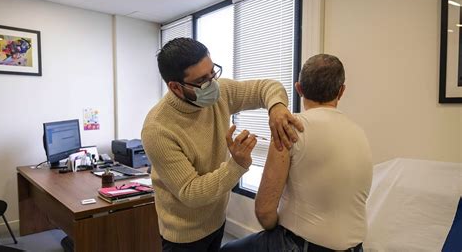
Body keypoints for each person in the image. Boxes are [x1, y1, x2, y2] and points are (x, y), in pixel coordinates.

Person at [141, 37, 304, 252]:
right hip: (183, 236)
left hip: (217, 221)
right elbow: (191, 193)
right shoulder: (158, 129)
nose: (213, 84)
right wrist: (236, 165)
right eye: (202, 80)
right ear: (175, 87)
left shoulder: (221, 92)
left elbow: (267, 87)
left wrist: (277, 107)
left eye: (213, 72)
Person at [221, 54, 373, 252]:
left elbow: (264, 211)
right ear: (341, 91)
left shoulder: (289, 130)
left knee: (227, 249)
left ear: (298, 88)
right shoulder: (359, 133)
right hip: (355, 247)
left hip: (302, 246)